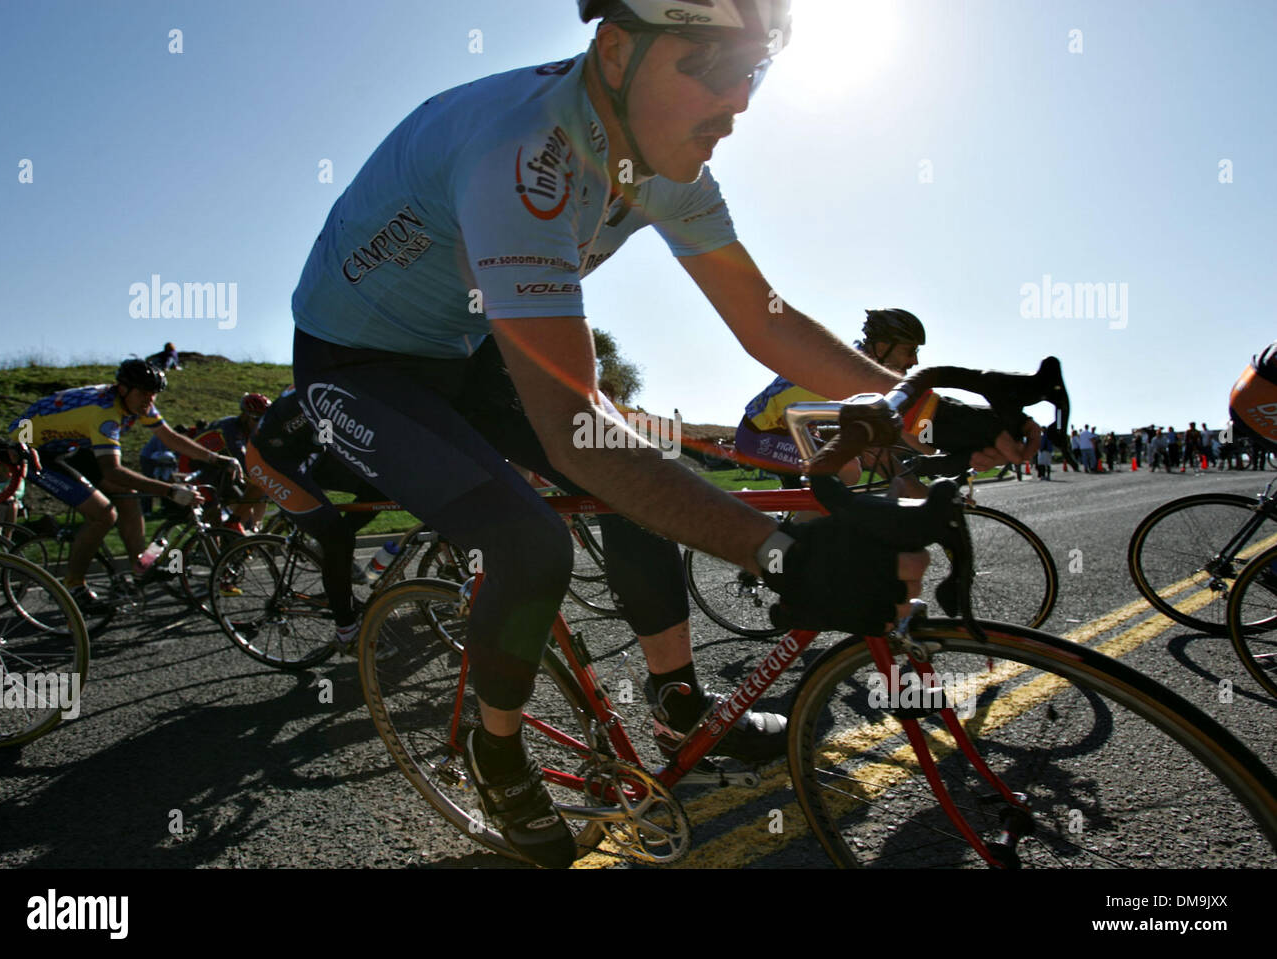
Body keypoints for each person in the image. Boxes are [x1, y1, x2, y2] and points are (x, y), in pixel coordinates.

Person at [288, 0, 1037, 868]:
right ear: (614, 51)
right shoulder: (521, 156)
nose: (741, 101)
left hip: (462, 342)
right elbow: (574, 428)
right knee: (532, 545)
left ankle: (679, 697)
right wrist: (781, 552)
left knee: (645, 471)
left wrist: (923, 404)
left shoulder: (667, 162)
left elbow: (766, 323)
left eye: (753, 71)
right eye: (713, 68)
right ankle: (495, 750)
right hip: (356, 364)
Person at [9, 360, 242, 612]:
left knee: (128, 497)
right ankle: (73, 586)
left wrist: (217, 459)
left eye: (153, 394)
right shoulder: (104, 413)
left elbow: (170, 437)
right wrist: (170, 491)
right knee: (103, 514)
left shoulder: (137, 403)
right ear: (123, 388)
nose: (148, 400)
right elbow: (114, 471)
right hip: (27, 450)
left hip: (69, 446)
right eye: (143, 393)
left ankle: (139, 568)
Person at [245, 387, 395, 651]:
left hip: (312, 451)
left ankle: (328, 551)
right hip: (270, 460)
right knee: (337, 537)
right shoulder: (331, 386)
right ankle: (347, 633)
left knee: (381, 489)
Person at [734, 308, 927, 492]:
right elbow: (904, 438)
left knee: (847, 467)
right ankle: (802, 525)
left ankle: (799, 520)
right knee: (847, 468)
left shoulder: (859, 363)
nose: (914, 362)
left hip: (790, 432)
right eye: (909, 351)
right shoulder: (856, 373)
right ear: (884, 346)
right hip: (758, 436)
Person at [179, 392, 273, 530]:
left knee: (250, 502)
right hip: (193, 466)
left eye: (263, 420)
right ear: (244, 416)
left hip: (216, 469)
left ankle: (244, 533)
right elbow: (242, 460)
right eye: (257, 419)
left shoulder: (249, 430)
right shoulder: (230, 431)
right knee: (214, 516)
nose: (260, 424)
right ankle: (216, 542)